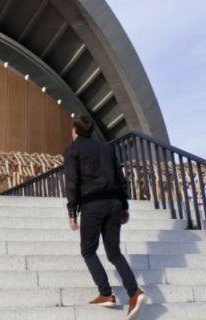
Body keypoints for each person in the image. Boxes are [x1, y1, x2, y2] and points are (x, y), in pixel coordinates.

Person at [64, 115, 148, 320]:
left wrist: (72, 213)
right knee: (114, 252)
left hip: (92, 204)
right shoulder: (107, 149)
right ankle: (134, 292)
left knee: (88, 250)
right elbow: (121, 180)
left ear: (75, 130)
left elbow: (72, 183)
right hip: (114, 203)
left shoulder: (72, 150)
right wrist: (124, 206)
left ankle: (105, 293)